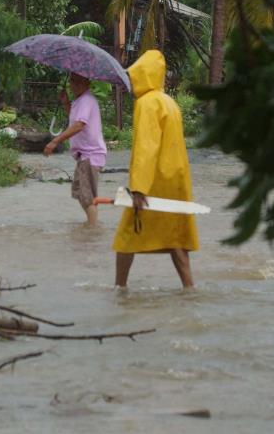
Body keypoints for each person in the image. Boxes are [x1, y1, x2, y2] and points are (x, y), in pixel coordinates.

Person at [112, 50, 199, 289]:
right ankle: (189, 289)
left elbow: (146, 147)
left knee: (126, 237)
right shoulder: (170, 103)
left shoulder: (146, 103)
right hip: (177, 181)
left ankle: (120, 289)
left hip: (154, 182)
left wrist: (139, 187)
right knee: (176, 236)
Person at [44, 73, 107, 226]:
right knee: (80, 192)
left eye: (77, 81)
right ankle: (92, 225)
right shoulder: (80, 101)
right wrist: (66, 103)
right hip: (84, 156)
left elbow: (79, 125)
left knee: (87, 196)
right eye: (72, 80)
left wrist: (55, 141)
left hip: (90, 155)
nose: (73, 84)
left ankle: (92, 230)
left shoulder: (87, 100)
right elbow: (74, 118)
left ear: (87, 83)